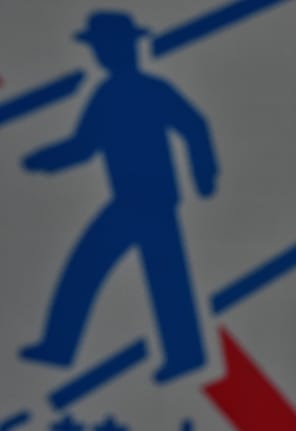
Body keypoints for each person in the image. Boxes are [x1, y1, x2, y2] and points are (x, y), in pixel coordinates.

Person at [19, 11, 218, 384]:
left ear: (125, 48)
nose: (102, 54)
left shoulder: (147, 90)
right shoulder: (108, 95)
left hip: (146, 201)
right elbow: (85, 146)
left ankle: (61, 348)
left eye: (105, 47)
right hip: (139, 199)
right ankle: (182, 355)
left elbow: (194, 125)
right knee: (160, 278)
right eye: (98, 48)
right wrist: (46, 160)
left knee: (94, 270)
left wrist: (204, 174)